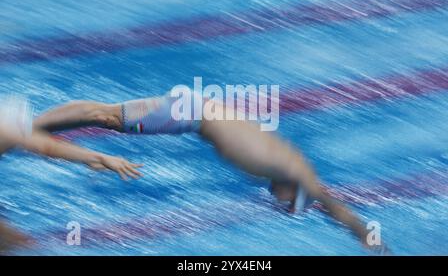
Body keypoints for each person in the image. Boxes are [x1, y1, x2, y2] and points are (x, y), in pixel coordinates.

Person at [33, 91, 388, 252]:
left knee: (107, 115)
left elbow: (334, 211)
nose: (273, 200)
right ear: (292, 190)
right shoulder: (295, 171)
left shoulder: (288, 170)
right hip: (190, 113)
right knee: (105, 116)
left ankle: (34, 127)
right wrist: (380, 249)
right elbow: (342, 213)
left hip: (193, 113)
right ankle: (30, 126)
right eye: (285, 204)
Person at [0, 96, 143, 253]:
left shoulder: (8, 126)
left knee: (18, 244)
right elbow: (46, 146)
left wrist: (96, 157)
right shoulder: (7, 129)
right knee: (17, 244)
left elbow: (46, 146)